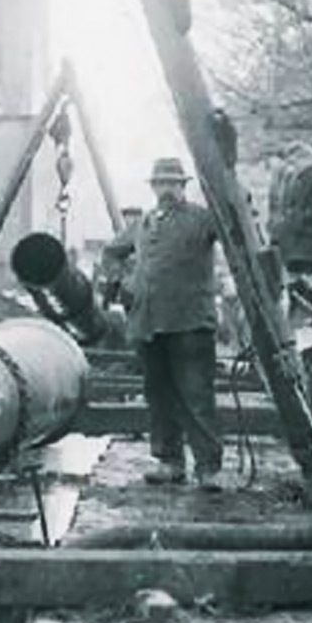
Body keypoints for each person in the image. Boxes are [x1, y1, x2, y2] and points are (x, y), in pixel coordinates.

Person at [106, 156, 222, 491]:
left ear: (183, 187)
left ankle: (208, 467)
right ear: (154, 187)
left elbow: (235, 228)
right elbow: (112, 252)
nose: (167, 189)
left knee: (196, 395)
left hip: (190, 322)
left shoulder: (202, 220)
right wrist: (120, 284)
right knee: (159, 395)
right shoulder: (143, 223)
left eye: (173, 183)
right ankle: (169, 461)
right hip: (148, 322)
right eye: (161, 183)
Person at [268, 142, 312, 324]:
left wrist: (305, 218)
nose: (292, 163)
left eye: (294, 159)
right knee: (294, 273)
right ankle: (298, 309)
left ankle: (306, 311)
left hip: (306, 235)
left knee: (306, 274)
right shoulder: (297, 177)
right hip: (294, 236)